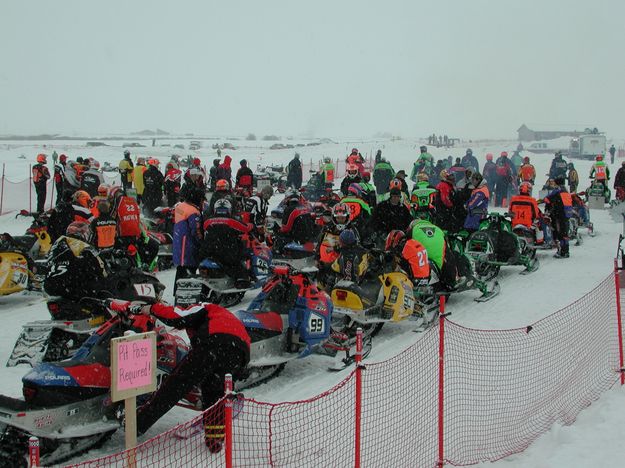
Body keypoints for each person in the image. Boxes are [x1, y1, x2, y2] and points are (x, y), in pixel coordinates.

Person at [108, 299, 250, 452]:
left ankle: (136, 425)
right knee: (215, 393)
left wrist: (151, 309)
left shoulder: (206, 308)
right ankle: (214, 438)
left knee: (175, 386)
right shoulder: (226, 317)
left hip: (214, 342)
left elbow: (178, 315)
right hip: (240, 352)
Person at [201, 199, 254, 288]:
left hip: (209, 251)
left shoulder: (208, 221)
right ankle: (242, 279)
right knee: (243, 257)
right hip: (227, 252)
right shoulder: (232, 221)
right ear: (229, 209)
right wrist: (250, 225)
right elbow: (245, 228)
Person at [173, 187, 204, 291]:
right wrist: (202, 242)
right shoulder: (193, 211)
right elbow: (196, 230)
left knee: (181, 269)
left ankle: (177, 292)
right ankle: (187, 293)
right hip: (188, 245)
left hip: (179, 242)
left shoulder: (180, 207)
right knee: (189, 270)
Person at [543, 176, 572, 258]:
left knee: (560, 233)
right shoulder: (566, 191)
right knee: (564, 232)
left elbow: (547, 199)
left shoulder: (557, 190)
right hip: (567, 213)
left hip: (559, 214)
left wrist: (545, 203)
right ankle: (566, 250)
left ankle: (562, 251)